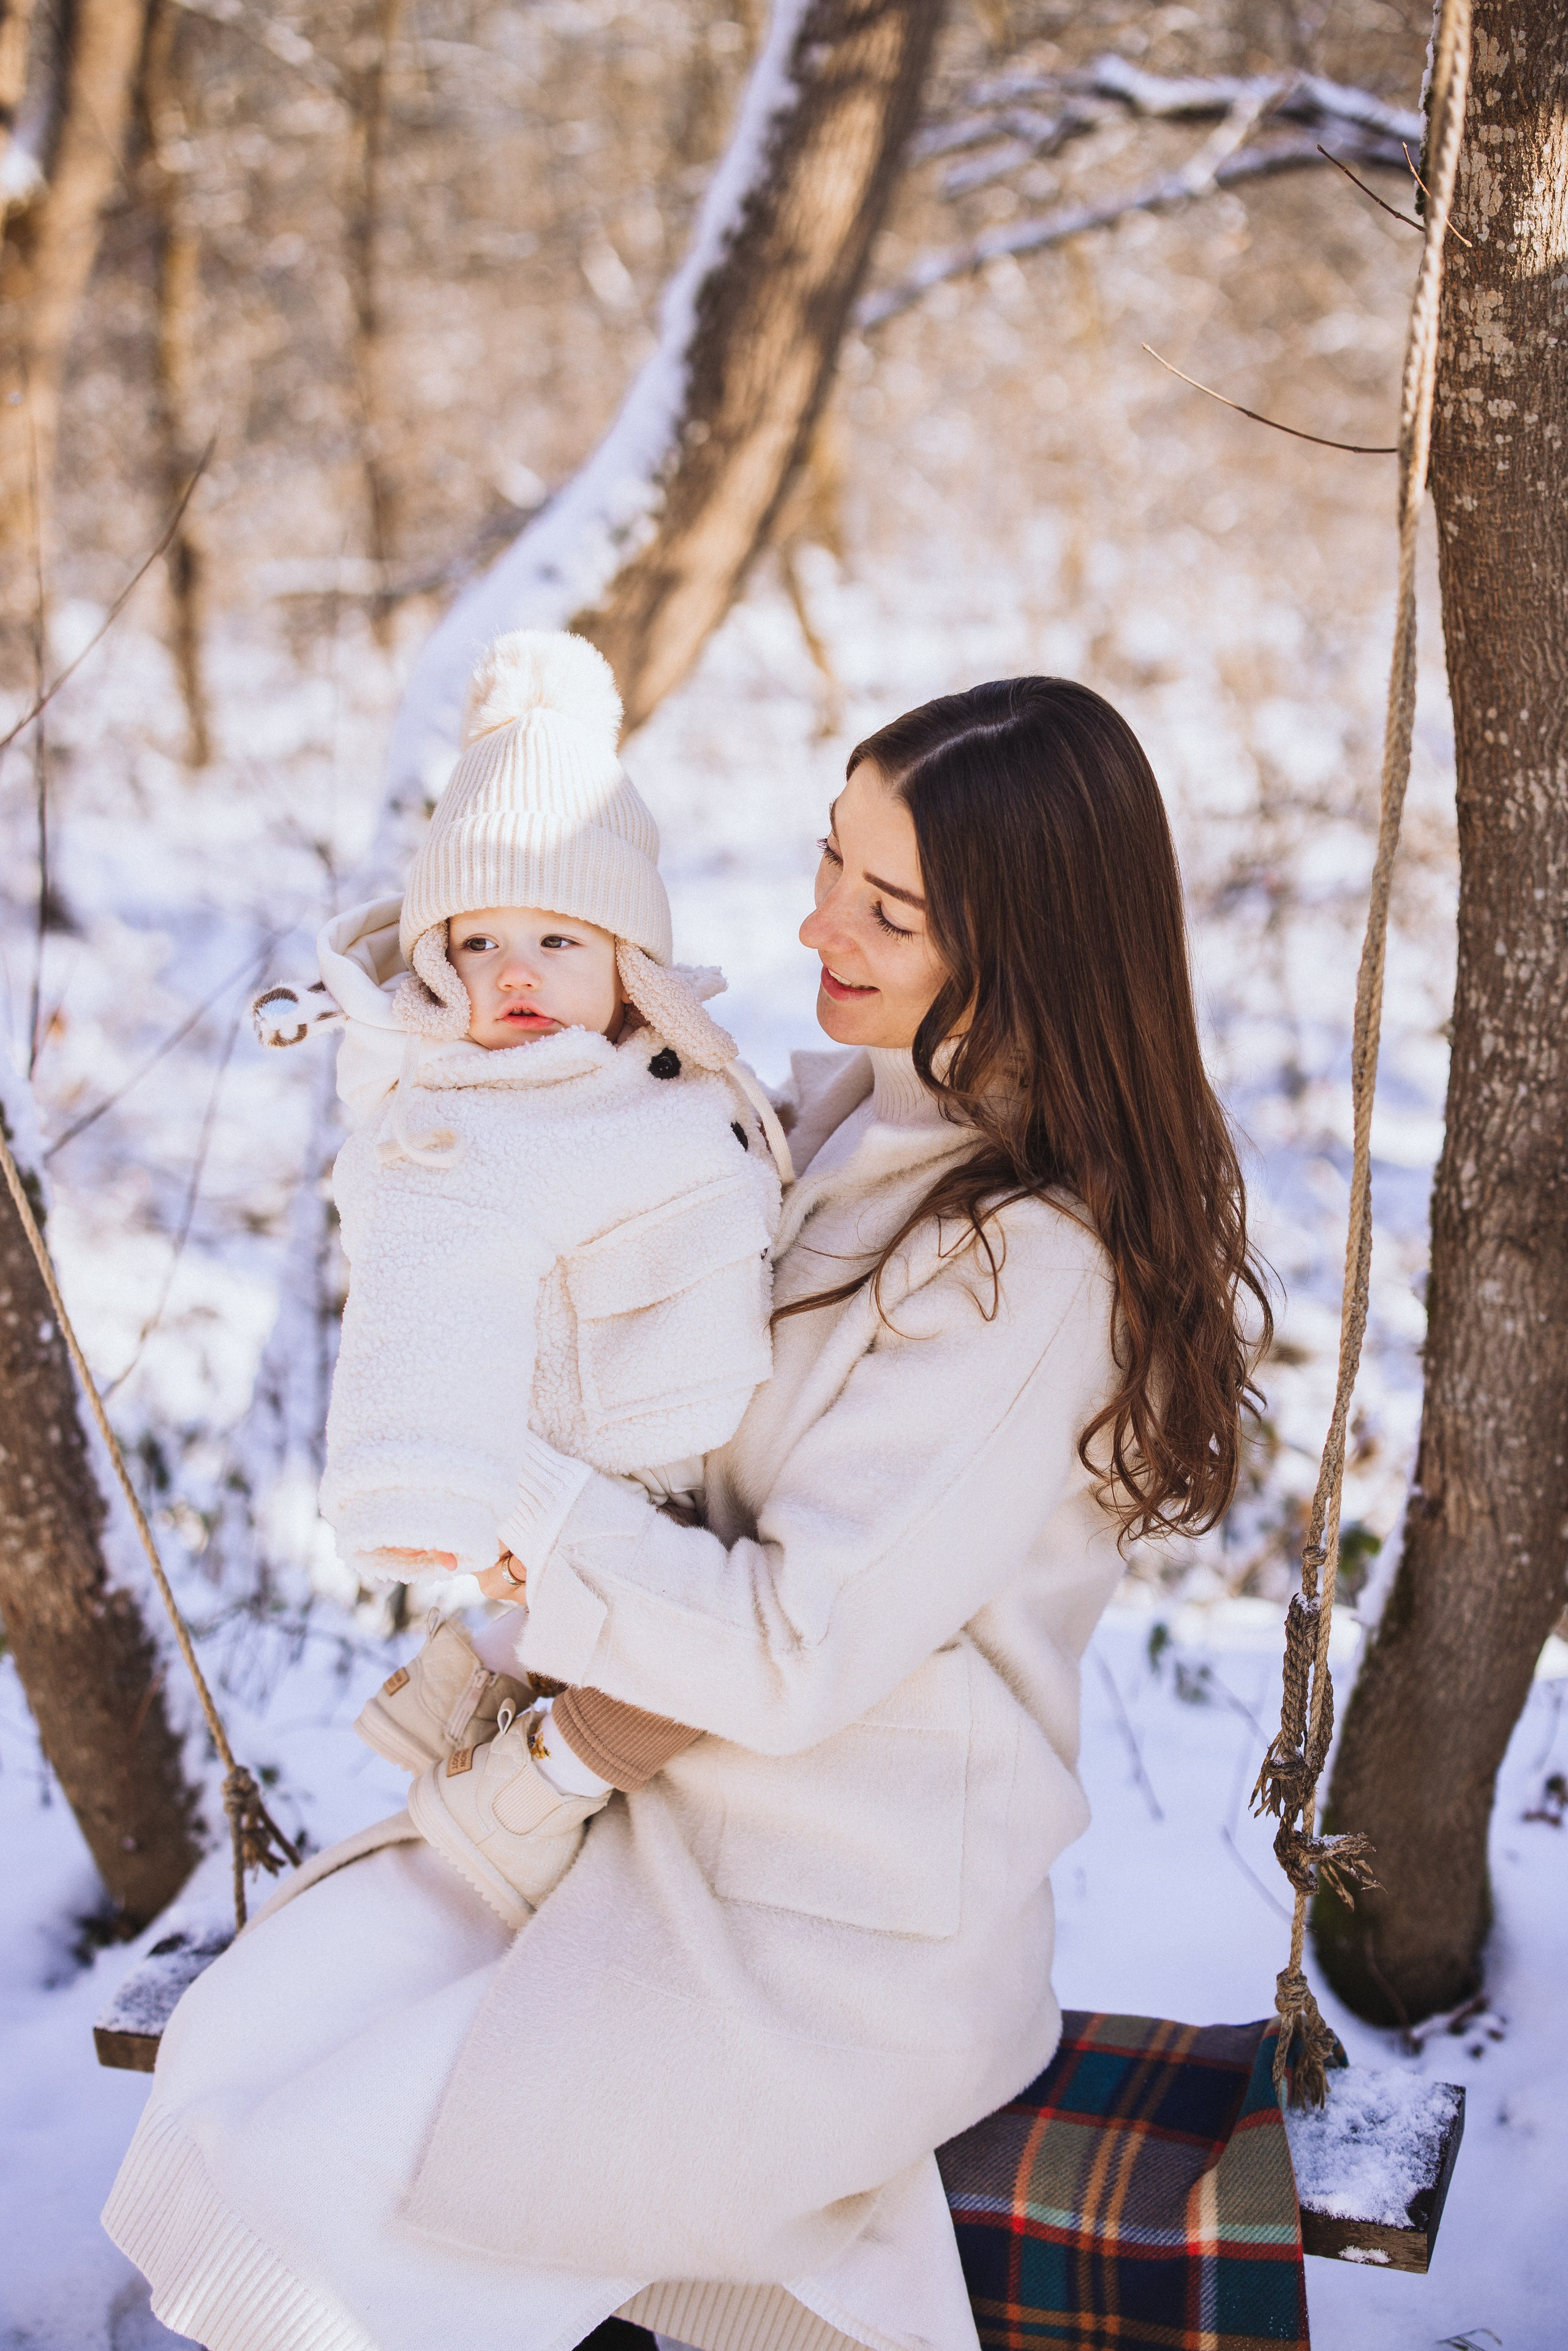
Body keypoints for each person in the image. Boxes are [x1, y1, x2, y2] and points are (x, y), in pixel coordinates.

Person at [104, 675, 1269, 2351]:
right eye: (827, 865)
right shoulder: (830, 1114)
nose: (816, 925)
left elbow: (794, 1647)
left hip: (827, 1915)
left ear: (1032, 946)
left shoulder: (1026, 1269)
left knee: (327, 2185)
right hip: (644, 1792)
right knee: (243, 2042)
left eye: (890, 908)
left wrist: (523, 1496)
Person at [269, 625, 788, 1925]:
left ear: (632, 960)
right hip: (610, 1465)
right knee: (684, 1672)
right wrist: (422, 1483)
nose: (514, 970)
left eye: (558, 939)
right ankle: (523, 1791)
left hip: (678, 1449)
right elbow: (430, 1289)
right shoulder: (480, 1117)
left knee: (682, 1642)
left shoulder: (646, 1058)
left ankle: (465, 1682)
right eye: (481, 939)